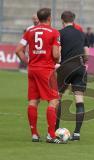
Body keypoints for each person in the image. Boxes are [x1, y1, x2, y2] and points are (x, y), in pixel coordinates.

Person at [15, 8, 65, 144]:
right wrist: (58, 58)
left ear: (38, 18)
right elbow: (55, 55)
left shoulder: (29, 31)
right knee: (54, 100)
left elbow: (18, 50)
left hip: (32, 70)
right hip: (46, 71)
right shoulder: (54, 32)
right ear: (49, 18)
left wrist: (27, 63)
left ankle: (35, 134)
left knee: (33, 100)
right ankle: (51, 135)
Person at [55, 11, 89, 141]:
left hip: (66, 67)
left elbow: (57, 53)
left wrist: (58, 62)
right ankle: (77, 133)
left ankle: (55, 130)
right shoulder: (81, 34)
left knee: (57, 98)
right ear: (73, 20)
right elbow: (87, 54)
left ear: (62, 20)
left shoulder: (60, 33)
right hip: (80, 67)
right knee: (79, 100)